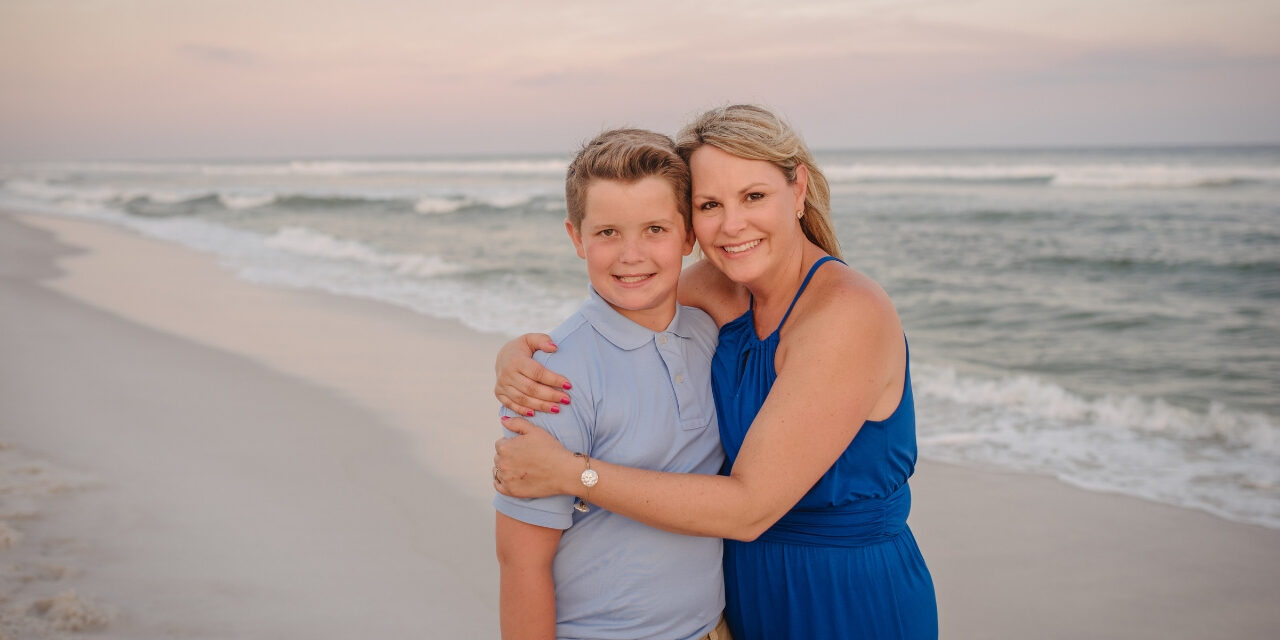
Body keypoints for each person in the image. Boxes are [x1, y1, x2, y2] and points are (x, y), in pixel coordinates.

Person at [493, 105, 938, 639]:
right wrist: (520, 354)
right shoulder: (714, 287)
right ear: (691, 225)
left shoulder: (847, 314)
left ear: (797, 191)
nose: (732, 224)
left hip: (842, 597)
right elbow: (621, 305)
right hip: (738, 598)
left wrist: (573, 472)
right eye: (710, 204)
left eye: (754, 196)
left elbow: (749, 508)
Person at [492, 128, 731, 640]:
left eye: (654, 229)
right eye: (607, 233)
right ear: (576, 237)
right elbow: (521, 565)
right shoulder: (552, 380)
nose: (632, 255)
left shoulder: (708, 332)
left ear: (689, 235)